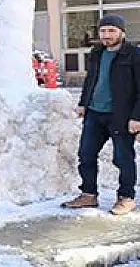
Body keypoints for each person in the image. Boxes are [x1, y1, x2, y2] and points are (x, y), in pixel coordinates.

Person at [62, 14, 140, 215]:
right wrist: (83, 103)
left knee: (123, 158)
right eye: (103, 31)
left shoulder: (134, 55)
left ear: (122, 32)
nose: (107, 35)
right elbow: (91, 79)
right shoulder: (97, 52)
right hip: (95, 114)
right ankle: (88, 194)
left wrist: (137, 117)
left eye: (112, 30)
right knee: (86, 155)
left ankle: (126, 197)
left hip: (120, 116)